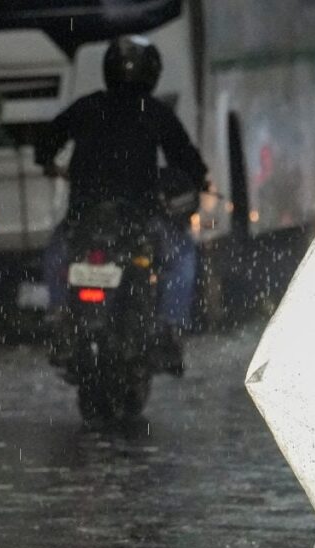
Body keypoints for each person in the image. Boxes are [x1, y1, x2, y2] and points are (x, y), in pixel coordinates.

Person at [36, 35, 208, 374]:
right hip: (137, 218)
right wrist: (195, 180)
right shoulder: (154, 111)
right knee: (182, 254)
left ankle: (58, 319)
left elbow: (46, 141)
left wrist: (50, 162)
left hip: (85, 217)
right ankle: (169, 329)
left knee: (57, 252)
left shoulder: (87, 107)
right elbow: (187, 161)